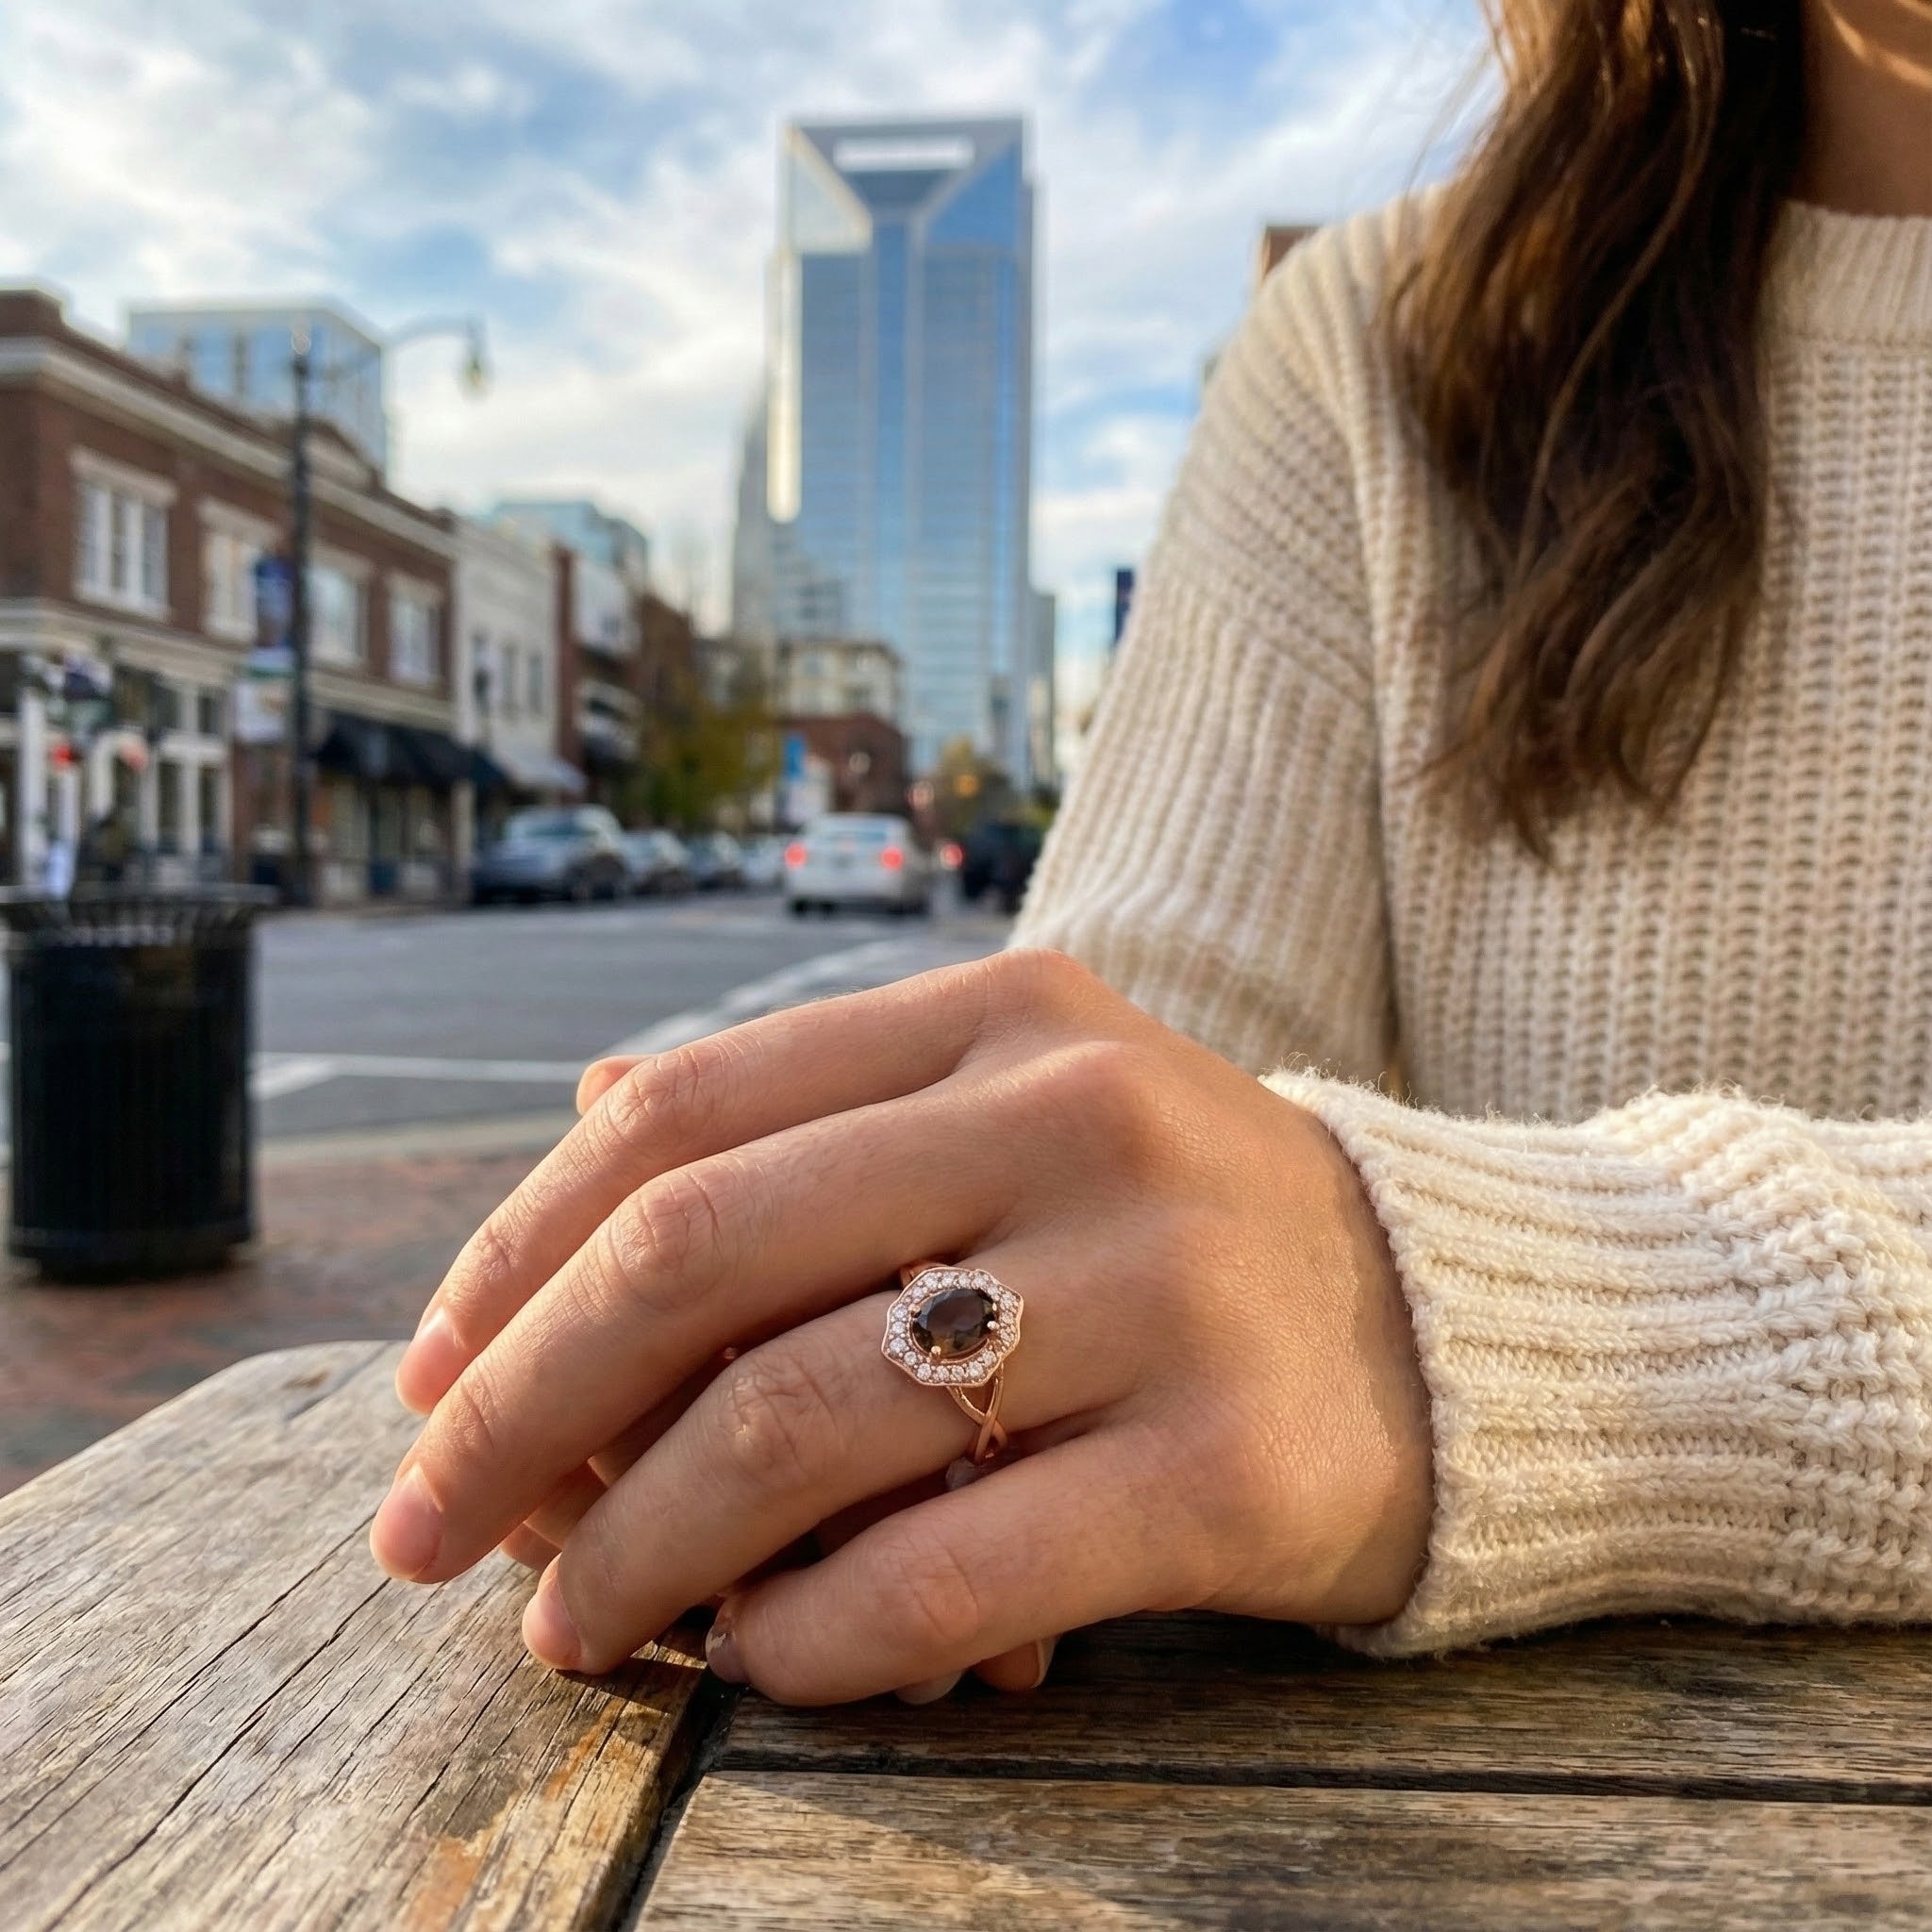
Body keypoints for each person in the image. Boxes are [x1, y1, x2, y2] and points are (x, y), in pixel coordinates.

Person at [373, 0, 1932, 1705]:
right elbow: (1143, 1081)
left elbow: (1301, 1279)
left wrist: (1473, 1332)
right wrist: (908, 1320)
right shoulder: (1386, 337)